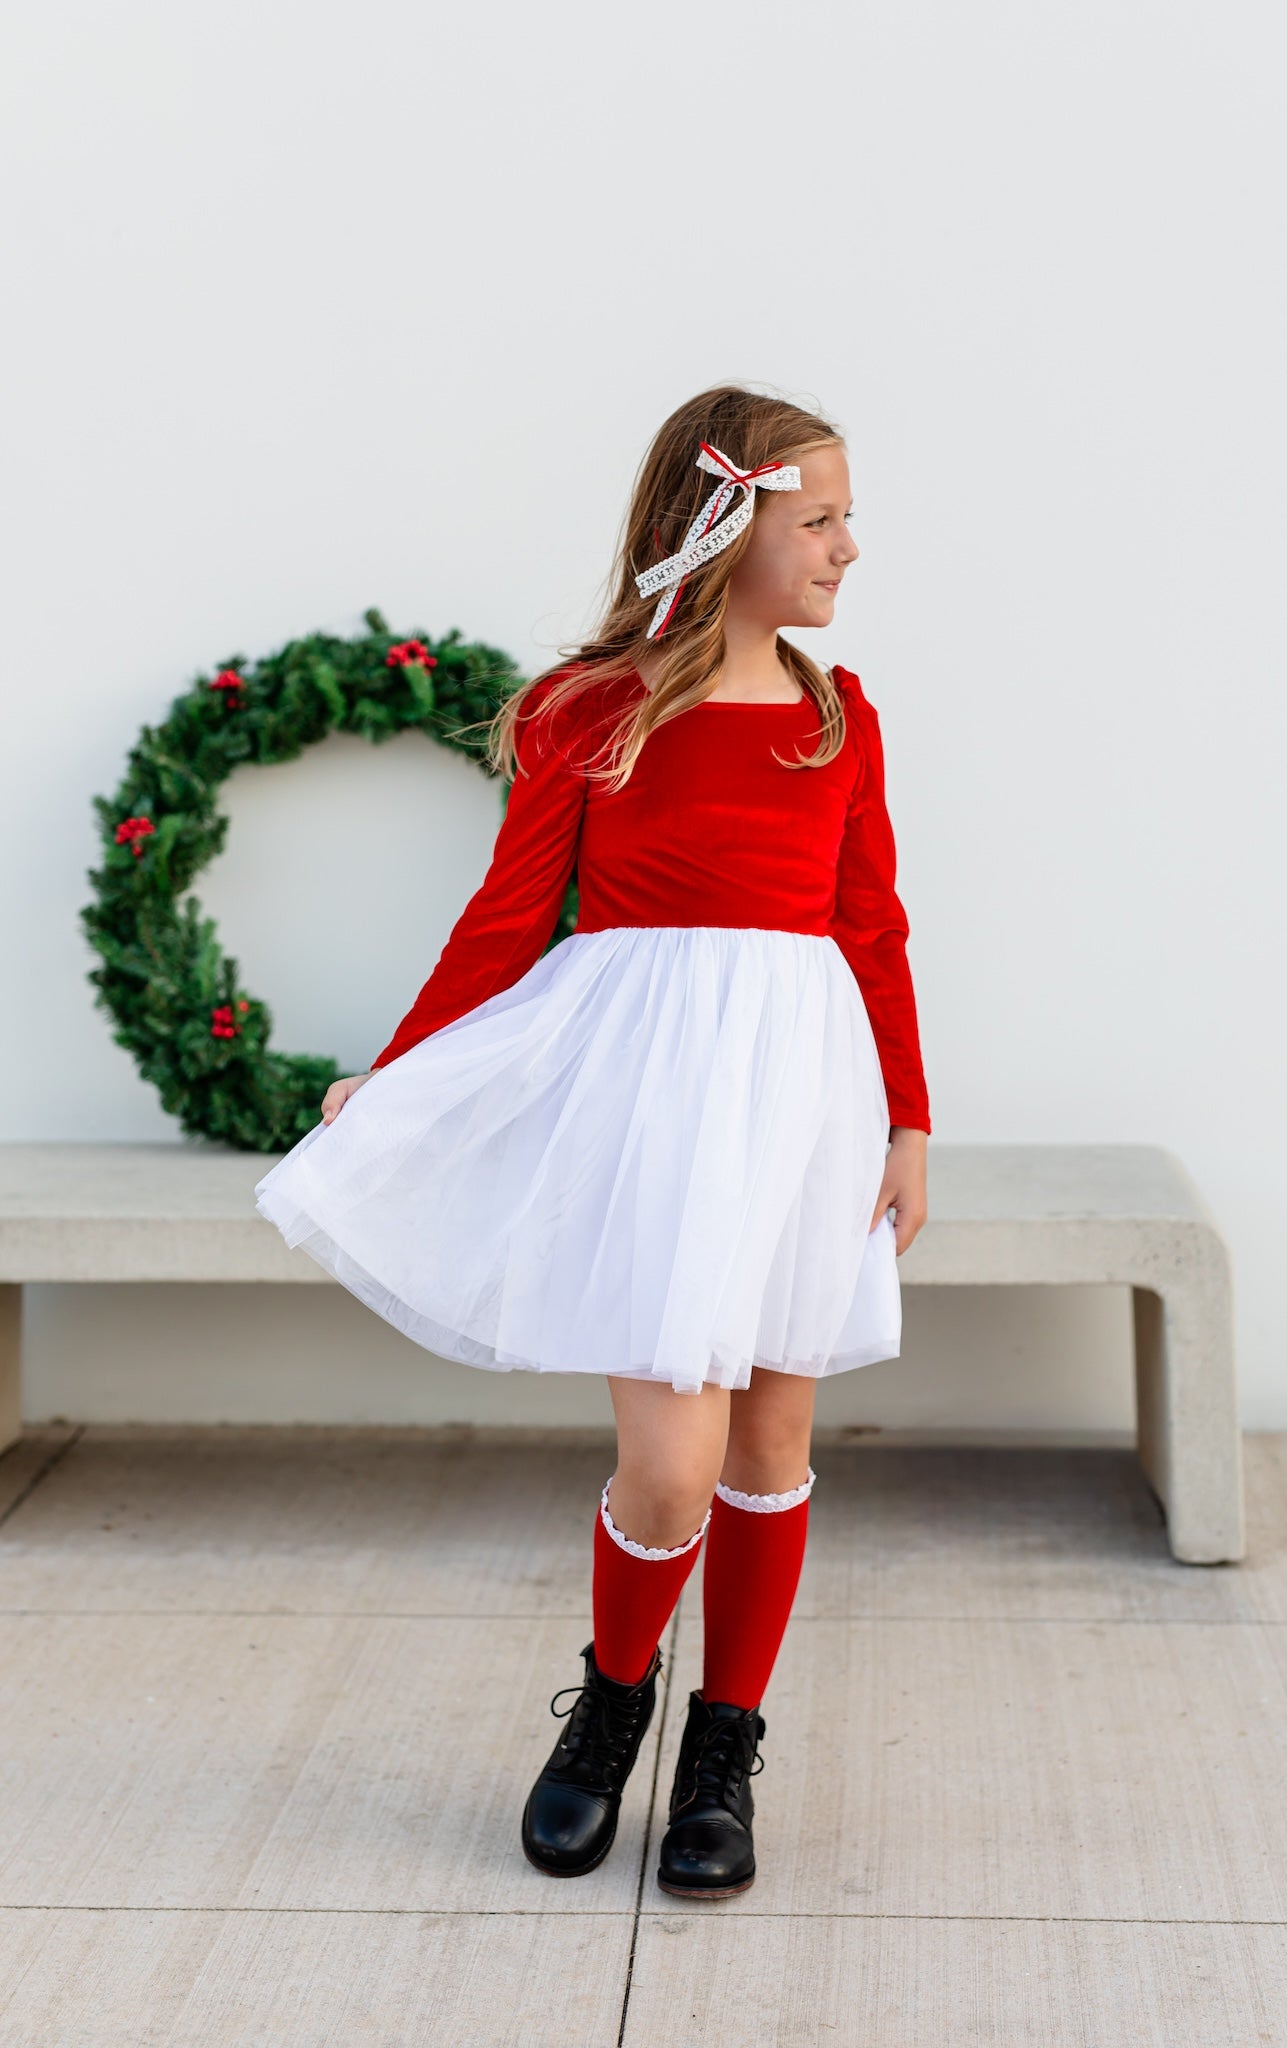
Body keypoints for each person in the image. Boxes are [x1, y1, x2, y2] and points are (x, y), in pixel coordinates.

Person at [254, 382, 931, 1901]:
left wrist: (906, 1114)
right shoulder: (591, 711)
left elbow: (867, 925)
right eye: (817, 520)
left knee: (770, 1442)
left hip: (805, 1099)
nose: (846, 550)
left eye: (842, 520)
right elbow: (509, 918)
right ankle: (609, 1704)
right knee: (672, 1469)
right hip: (657, 1107)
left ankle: (722, 1752)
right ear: (723, 526)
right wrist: (403, 1067)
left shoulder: (837, 715)